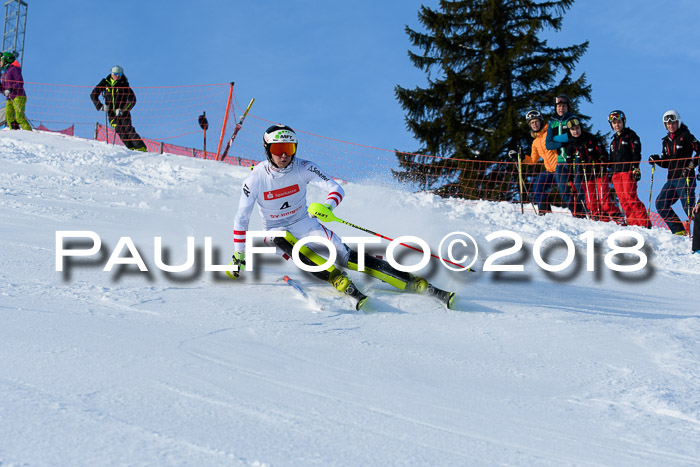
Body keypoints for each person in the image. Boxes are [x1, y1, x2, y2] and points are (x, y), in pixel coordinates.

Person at [226, 124, 455, 310]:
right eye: (278, 150)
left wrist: (328, 206)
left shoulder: (304, 167)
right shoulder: (255, 179)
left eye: (289, 148)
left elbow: (335, 188)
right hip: (274, 228)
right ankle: (336, 278)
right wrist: (239, 254)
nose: (284, 155)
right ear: (267, 150)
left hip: (304, 222)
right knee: (282, 239)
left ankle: (413, 282)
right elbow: (241, 218)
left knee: (346, 255)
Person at [649, 110, 699, 235]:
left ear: (678, 122)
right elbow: (667, 163)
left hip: (685, 177)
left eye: (673, 123)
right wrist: (656, 160)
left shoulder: (686, 136)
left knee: (690, 208)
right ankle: (679, 230)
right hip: (671, 179)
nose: (671, 126)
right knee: (661, 203)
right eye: (668, 124)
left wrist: (692, 164)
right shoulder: (666, 141)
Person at [565, 117, 622, 222]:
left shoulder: (590, 139)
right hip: (586, 175)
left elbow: (603, 154)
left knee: (603, 200)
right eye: (573, 129)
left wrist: (600, 161)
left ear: (581, 128)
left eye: (577, 128)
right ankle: (600, 220)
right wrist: (571, 179)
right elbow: (570, 165)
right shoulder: (571, 144)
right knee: (591, 202)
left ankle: (618, 218)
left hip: (599, 172)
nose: (575, 131)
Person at [607, 110, 651, 228]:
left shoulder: (631, 135)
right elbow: (611, 159)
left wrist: (635, 168)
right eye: (614, 123)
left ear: (624, 122)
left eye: (619, 122)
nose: (617, 125)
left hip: (627, 171)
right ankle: (633, 223)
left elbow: (636, 153)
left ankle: (644, 222)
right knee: (623, 200)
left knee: (630, 196)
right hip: (616, 173)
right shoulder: (613, 142)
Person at [545, 95, 587, 217]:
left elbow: (574, 136)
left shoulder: (573, 120)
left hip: (575, 160)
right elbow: (548, 144)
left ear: (568, 107)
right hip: (560, 161)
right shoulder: (552, 124)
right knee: (563, 191)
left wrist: (557, 139)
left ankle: (589, 212)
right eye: (559, 106)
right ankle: (577, 213)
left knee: (579, 187)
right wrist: (564, 141)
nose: (561, 108)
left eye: (563, 106)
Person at [90, 65, 147, 151]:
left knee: (128, 128)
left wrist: (123, 110)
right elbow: (93, 95)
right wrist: (101, 106)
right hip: (111, 113)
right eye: (116, 74)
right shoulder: (105, 83)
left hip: (123, 113)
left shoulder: (124, 85)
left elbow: (132, 100)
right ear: (112, 74)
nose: (117, 76)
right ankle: (130, 147)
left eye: (120, 74)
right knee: (119, 129)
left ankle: (141, 147)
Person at [521, 109, 558, 215]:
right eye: (531, 123)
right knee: (538, 186)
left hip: (560, 168)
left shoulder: (550, 133)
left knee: (566, 192)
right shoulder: (535, 142)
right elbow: (533, 160)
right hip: (550, 171)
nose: (534, 124)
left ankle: (579, 213)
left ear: (541, 121)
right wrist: (522, 157)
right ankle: (544, 212)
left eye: (536, 121)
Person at [0, 51, 31, 131]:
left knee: (19, 117)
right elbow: (3, 89)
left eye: (0, 60)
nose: (0, 63)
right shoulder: (4, 74)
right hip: (9, 98)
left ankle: (29, 134)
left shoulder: (14, 69)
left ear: (6, 60)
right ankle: (15, 132)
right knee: (8, 116)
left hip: (19, 96)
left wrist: (11, 88)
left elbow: (20, 82)